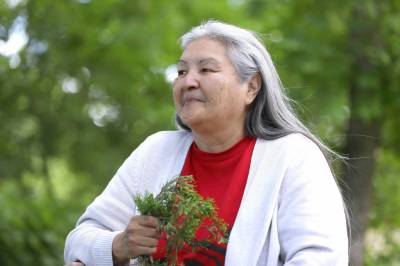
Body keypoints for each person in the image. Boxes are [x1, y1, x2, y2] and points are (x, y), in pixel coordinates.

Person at [64, 20, 348, 266]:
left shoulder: (294, 157)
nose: (188, 81)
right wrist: (118, 245)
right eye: (181, 72)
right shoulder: (156, 152)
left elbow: (320, 259)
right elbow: (81, 237)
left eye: (206, 70)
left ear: (251, 87)